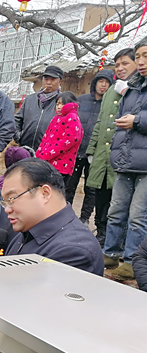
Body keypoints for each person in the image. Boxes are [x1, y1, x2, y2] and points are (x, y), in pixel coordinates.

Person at [0, 158, 103, 275]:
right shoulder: (25, 231)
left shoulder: (74, 251)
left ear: (44, 193)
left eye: (12, 199)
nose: (7, 209)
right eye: (4, 202)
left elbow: (32, 291)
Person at [102, 39, 147, 279]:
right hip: (125, 159)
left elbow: (133, 120)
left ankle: (131, 261)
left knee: (138, 216)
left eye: (145, 56)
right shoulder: (130, 88)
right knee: (116, 210)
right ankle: (110, 253)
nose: (141, 62)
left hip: (146, 166)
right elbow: (119, 123)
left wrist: (137, 121)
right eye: (138, 56)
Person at [87, 49, 138, 247]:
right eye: (117, 65)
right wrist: (92, 149)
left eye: (125, 63)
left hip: (123, 154)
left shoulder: (137, 90)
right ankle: (101, 232)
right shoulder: (110, 91)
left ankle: (118, 239)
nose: (120, 68)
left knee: (119, 201)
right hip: (102, 154)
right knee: (100, 195)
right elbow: (101, 122)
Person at [66, 70, 114, 218]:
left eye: (107, 82)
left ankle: (85, 218)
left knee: (91, 188)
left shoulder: (110, 105)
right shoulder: (82, 100)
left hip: (95, 153)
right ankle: (66, 216)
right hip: (76, 150)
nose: (103, 85)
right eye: (100, 81)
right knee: (69, 186)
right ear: (95, 83)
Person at [36, 91, 83, 184]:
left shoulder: (72, 118)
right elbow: (46, 138)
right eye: (57, 104)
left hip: (61, 166)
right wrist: (38, 154)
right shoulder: (56, 118)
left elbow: (67, 141)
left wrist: (46, 155)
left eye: (63, 104)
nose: (59, 106)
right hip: (48, 162)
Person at [15, 65, 63, 151]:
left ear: (60, 82)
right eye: (46, 79)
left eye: (52, 80)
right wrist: (19, 136)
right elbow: (17, 120)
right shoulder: (30, 99)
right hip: (25, 149)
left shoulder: (63, 102)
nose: (48, 82)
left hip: (48, 152)